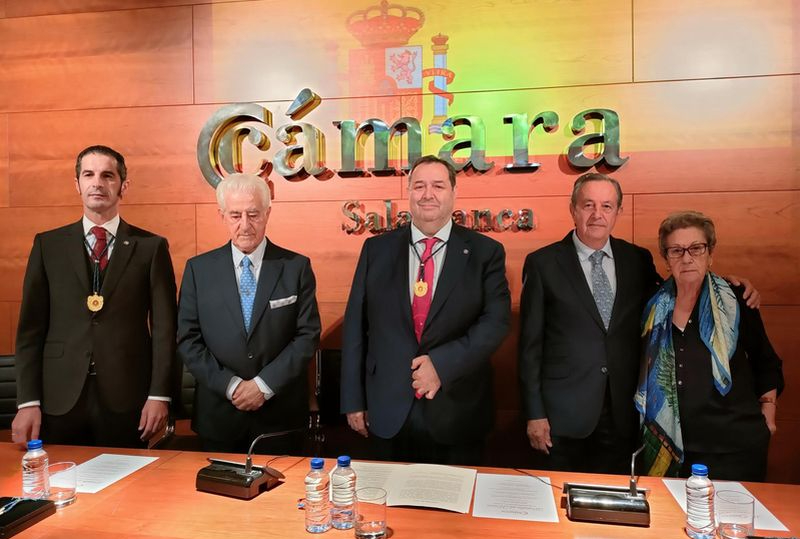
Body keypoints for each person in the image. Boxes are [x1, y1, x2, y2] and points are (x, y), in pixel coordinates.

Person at [518, 173, 760, 474]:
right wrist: (535, 414)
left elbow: (680, 288)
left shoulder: (637, 259)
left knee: (616, 506)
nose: (597, 214)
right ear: (573, 209)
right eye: (588, 205)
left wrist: (730, 284)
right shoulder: (543, 264)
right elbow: (529, 347)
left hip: (624, 414)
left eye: (607, 206)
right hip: (563, 419)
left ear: (618, 212)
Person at [340, 155, 511, 465]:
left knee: (454, 510)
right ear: (408, 192)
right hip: (387, 411)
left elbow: (495, 324)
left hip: (458, 412)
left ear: (453, 193)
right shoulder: (376, 250)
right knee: (388, 508)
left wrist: (441, 365)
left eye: (438, 186)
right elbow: (355, 327)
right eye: (419, 186)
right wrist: (353, 401)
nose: (427, 194)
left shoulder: (486, 253)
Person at [12, 145, 178, 448]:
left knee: (128, 489)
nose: (97, 183)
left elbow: (166, 331)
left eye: (107, 175)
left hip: (128, 397)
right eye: (88, 175)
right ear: (77, 184)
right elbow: (30, 332)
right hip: (59, 397)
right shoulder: (48, 246)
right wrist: (27, 402)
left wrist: (159, 395)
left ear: (123, 186)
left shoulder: (151, 248)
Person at [177, 173, 320, 454]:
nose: (245, 225)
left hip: (280, 417)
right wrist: (231, 386)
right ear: (222, 216)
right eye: (235, 215)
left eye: (253, 214)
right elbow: (188, 340)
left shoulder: (296, 267)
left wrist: (263, 386)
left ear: (267, 213)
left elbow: (307, 336)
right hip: (218, 417)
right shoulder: (198, 270)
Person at [635, 211, 782, 482]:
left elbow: (766, 362)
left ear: (710, 253)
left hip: (736, 448)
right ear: (666, 259)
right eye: (677, 250)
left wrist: (768, 415)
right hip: (673, 449)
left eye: (696, 248)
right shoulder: (651, 305)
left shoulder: (737, 299)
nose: (687, 258)